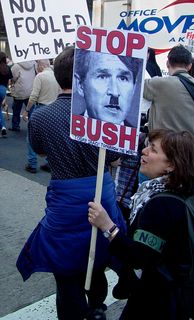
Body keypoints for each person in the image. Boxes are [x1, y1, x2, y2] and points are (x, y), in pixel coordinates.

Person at [16, 46, 126, 320]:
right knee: (98, 260)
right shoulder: (102, 117)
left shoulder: (41, 117)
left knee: (65, 272)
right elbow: (113, 159)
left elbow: (41, 152)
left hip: (64, 202)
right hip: (101, 197)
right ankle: (98, 308)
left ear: (58, 76)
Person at [88, 129, 194, 319]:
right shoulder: (183, 192)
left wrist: (107, 226)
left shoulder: (162, 204)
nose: (144, 151)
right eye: (148, 146)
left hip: (156, 300)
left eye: (153, 149)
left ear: (172, 165)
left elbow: (139, 257)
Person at [143, 44, 194, 141]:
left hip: (160, 145)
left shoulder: (158, 83)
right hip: (186, 146)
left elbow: (134, 86)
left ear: (167, 63)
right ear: (189, 66)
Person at [73, 50, 143, 127]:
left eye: (123, 78)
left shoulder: (139, 138)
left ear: (134, 87)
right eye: (102, 77)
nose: (114, 92)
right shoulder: (67, 129)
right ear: (80, 85)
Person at [22, 59, 60, 173]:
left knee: (31, 137)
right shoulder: (56, 76)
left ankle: (32, 164)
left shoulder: (40, 76)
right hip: (53, 108)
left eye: (37, 65)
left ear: (41, 65)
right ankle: (49, 163)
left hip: (41, 108)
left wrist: (27, 110)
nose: (36, 67)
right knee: (50, 137)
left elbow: (34, 96)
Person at [9, 60, 36, 131]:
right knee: (31, 110)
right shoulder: (33, 64)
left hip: (19, 91)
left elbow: (13, 77)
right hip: (30, 90)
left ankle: (15, 126)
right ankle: (33, 127)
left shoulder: (16, 66)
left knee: (16, 109)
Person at [0, 52, 12, 137]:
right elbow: (10, 80)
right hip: (3, 89)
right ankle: (3, 127)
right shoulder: (7, 68)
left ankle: (3, 126)